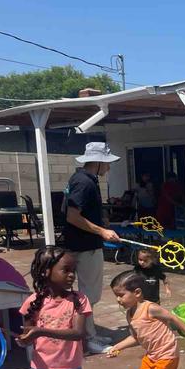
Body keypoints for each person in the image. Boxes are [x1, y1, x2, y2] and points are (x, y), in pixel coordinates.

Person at [63, 142, 120, 354]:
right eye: (107, 163)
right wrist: (102, 232)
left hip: (79, 244)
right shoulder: (84, 183)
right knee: (89, 295)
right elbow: (72, 216)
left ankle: (90, 333)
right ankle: (87, 339)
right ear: (97, 162)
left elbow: (79, 212)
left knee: (86, 293)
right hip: (85, 246)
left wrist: (100, 219)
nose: (109, 167)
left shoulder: (82, 179)